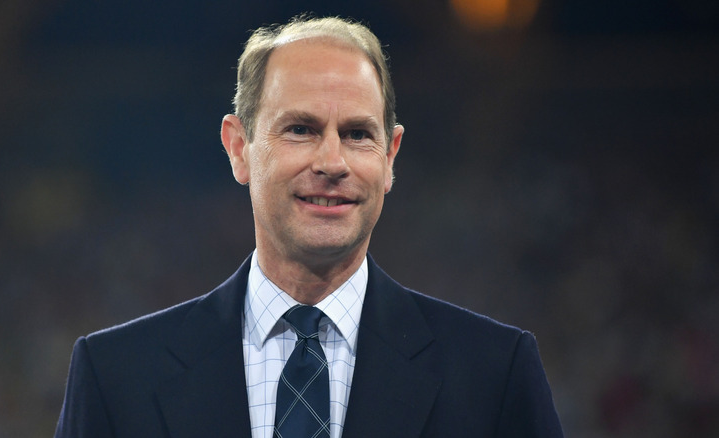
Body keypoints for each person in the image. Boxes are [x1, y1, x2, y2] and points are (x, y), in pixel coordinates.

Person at [55, 15, 563, 438]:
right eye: (301, 129)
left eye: (358, 134)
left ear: (390, 158)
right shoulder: (115, 376)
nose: (332, 161)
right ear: (239, 148)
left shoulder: (494, 374)